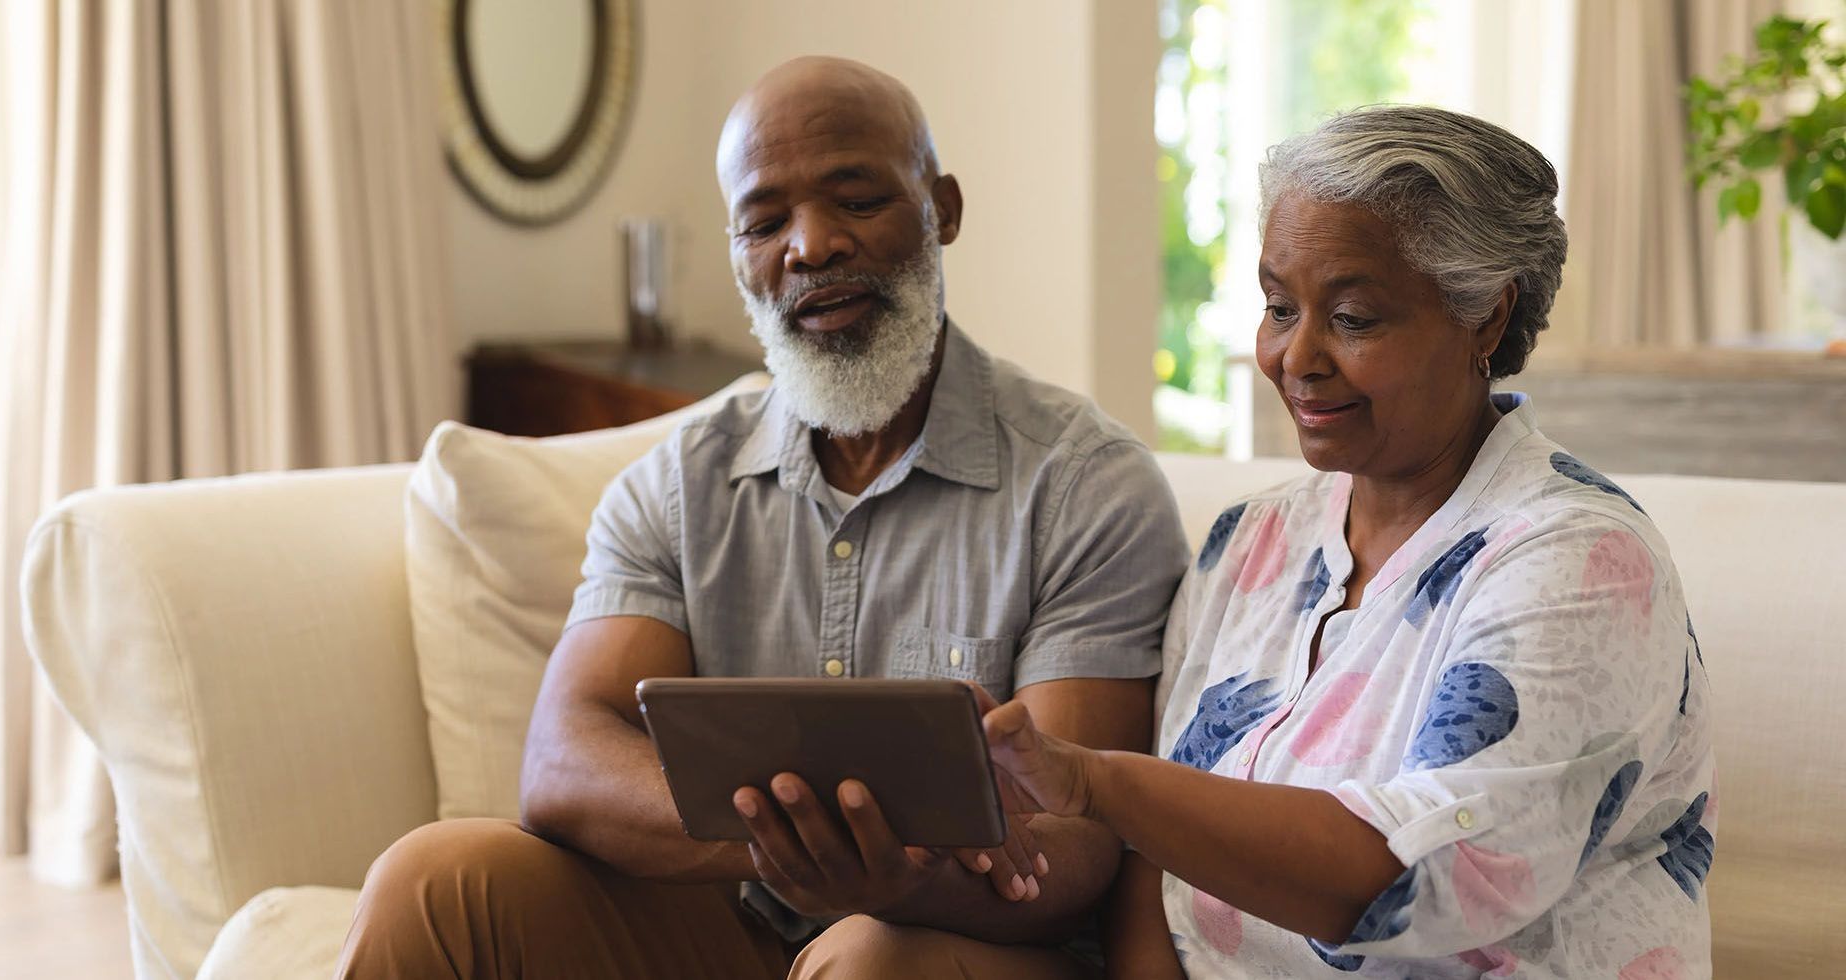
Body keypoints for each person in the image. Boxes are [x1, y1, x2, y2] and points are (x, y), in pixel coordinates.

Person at [336, 57, 1188, 979]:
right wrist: (787, 844)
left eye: (855, 200)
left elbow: (1079, 846)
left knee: (864, 960)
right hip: (727, 926)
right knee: (433, 880)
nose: (810, 247)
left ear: (942, 208)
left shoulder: (1086, 485)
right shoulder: (676, 486)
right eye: (766, 221)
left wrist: (894, 882)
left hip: (954, 947)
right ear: (740, 252)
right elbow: (561, 763)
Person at [953, 105, 1716, 978]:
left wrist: (1099, 783)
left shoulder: (1579, 562)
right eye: (1279, 306)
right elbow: (1153, 869)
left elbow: (1413, 876)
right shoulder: (1252, 542)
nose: (1295, 356)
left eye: (1353, 319)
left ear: (1487, 320)